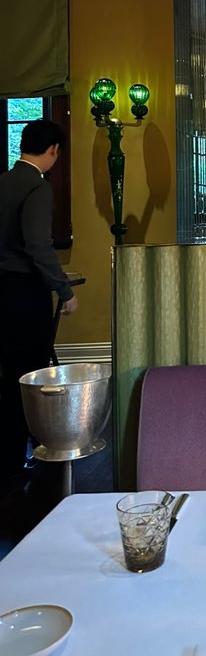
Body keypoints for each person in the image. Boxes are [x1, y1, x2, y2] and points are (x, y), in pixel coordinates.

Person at [0, 118, 78, 478]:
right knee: (26, 377)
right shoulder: (37, 187)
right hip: (24, 295)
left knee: (7, 375)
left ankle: (10, 457)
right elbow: (38, 246)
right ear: (53, 150)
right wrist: (64, 289)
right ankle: (16, 459)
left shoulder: (4, 182)